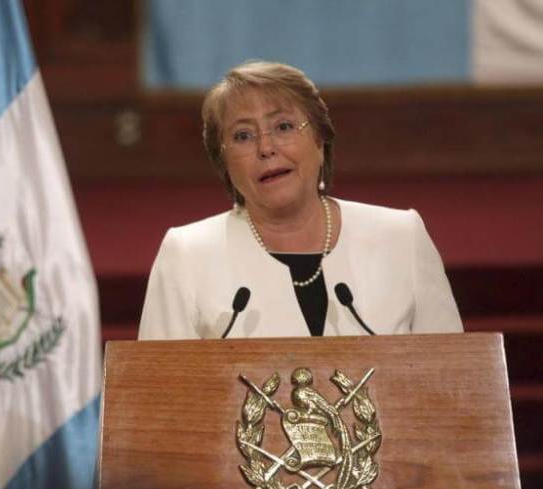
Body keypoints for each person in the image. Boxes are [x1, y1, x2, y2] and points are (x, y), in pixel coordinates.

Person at [138, 61, 462, 340]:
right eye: (243, 136)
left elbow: (456, 381)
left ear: (320, 139)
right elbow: (155, 396)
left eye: (284, 126)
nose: (266, 147)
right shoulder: (186, 255)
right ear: (223, 162)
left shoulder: (401, 237)